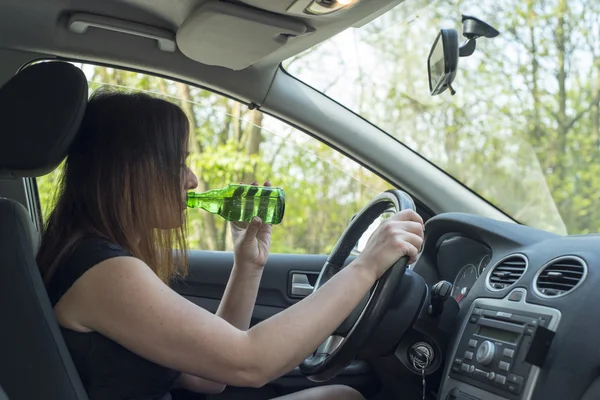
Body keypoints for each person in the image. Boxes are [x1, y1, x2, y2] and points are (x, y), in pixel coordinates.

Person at [37, 89, 425, 400]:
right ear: (129, 171)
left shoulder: (95, 256)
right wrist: (366, 266)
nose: (191, 180)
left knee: (341, 395)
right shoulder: (104, 272)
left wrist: (248, 265)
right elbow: (251, 363)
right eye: (177, 163)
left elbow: (208, 379)